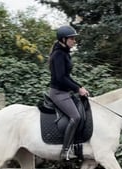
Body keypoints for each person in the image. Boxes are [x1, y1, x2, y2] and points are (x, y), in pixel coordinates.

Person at [48, 25, 89, 160]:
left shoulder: (65, 53)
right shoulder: (58, 55)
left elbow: (67, 77)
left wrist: (80, 87)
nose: (74, 41)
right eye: (72, 38)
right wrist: (77, 89)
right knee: (75, 117)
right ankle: (65, 150)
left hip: (65, 92)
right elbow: (61, 78)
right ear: (64, 39)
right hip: (58, 93)